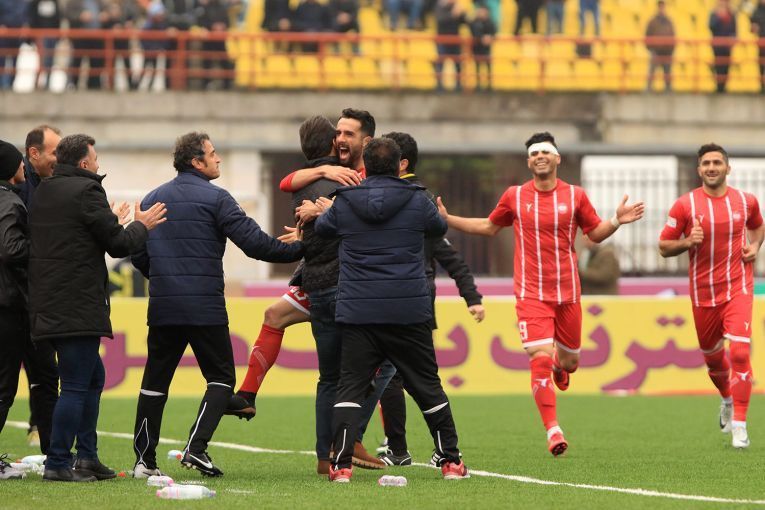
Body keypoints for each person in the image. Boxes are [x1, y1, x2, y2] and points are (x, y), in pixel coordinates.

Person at [437, 132, 644, 456]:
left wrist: (617, 220)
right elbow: (489, 226)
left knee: (570, 363)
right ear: (528, 161)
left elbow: (594, 233)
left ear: (557, 158)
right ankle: (553, 429)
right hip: (531, 293)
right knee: (540, 357)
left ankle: (562, 367)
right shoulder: (515, 196)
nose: (540, 157)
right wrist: (449, 220)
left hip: (568, 293)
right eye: (534, 153)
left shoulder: (575, 195)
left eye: (545, 151)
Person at [131, 132, 304, 478]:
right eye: (212, 154)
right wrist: (302, 247)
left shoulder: (152, 198)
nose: (218, 158)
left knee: (154, 382)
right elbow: (257, 246)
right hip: (204, 306)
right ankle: (195, 448)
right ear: (197, 162)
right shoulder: (218, 199)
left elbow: (138, 253)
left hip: (164, 306)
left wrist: (165, 275)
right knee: (222, 379)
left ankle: (143, 462)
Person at [232, 109, 382, 472]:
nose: (341, 139)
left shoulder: (371, 173)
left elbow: (296, 185)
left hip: (328, 276)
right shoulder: (333, 172)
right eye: (338, 133)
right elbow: (288, 181)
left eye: (348, 134)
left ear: (366, 142)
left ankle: (336, 445)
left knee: (348, 366)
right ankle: (346, 440)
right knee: (370, 363)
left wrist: (322, 212)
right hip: (336, 279)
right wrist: (321, 173)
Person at [315, 137, 469, 482]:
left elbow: (324, 229)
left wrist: (326, 211)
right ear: (400, 166)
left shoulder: (345, 201)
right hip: (407, 310)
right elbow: (439, 227)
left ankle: (341, 466)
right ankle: (451, 462)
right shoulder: (418, 199)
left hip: (359, 311)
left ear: (366, 167)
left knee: (350, 387)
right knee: (427, 386)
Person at [28, 134, 167, 482]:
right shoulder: (88, 190)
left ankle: (87, 457)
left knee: (93, 377)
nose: (98, 163)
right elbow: (118, 244)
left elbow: (75, 235)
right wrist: (141, 225)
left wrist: (110, 220)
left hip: (47, 300)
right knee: (76, 384)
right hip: (77, 303)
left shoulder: (44, 190)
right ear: (84, 163)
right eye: (95, 158)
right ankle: (58, 462)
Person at [371, 131, 484, 467]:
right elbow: (450, 255)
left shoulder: (408, 200)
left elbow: (447, 255)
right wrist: (472, 296)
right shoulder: (419, 200)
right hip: (417, 299)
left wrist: (472, 295)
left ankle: (404, 448)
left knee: (396, 376)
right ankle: (433, 450)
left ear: (400, 162)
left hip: (399, 298)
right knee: (409, 377)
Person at [659, 143, 764, 449]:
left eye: (717, 162)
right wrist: (687, 242)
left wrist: (755, 246)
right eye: (706, 163)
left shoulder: (746, 201)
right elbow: (663, 246)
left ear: (728, 168)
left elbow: (758, 227)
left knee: (740, 353)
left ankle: (740, 426)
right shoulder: (684, 205)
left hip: (738, 288)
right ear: (699, 170)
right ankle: (727, 399)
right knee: (714, 360)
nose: (712, 167)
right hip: (703, 294)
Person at [18, 125, 63, 454]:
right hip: (14, 300)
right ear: (33, 154)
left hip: (38, 300)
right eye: (54, 152)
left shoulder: (51, 184)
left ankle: (53, 454)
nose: (59, 159)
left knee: (47, 375)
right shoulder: (14, 191)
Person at [0, 140, 28, 481]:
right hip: (6, 306)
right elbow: (11, 249)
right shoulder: (9, 201)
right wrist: (42, 246)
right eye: (19, 161)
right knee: (4, 387)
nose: (24, 166)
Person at [434, 0, 467, 92]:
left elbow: (465, 21)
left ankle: (458, 85)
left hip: (455, 41)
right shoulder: (440, 6)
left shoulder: (456, 7)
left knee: (458, 64)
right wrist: (453, 14)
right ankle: (439, 85)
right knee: (440, 63)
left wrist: (462, 13)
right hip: (443, 40)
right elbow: (440, 20)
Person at [28, 0, 61, 90]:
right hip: (40, 35)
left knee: (50, 59)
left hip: (52, 35)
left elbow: (58, 18)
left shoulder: (54, 2)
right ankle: (37, 82)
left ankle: (47, 83)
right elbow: (32, 18)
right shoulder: (35, 3)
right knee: (41, 59)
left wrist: (57, 35)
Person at [645, 0, 675, 92]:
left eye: (663, 6)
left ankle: (668, 88)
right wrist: (651, 49)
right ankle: (649, 88)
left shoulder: (669, 21)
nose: (661, 9)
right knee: (652, 70)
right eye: (660, 7)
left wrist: (670, 49)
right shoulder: (652, 22)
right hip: (656, 50)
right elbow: (647, 36)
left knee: (667, 71)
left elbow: (673, 36)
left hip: (667, 51)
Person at [709, 0, 736, 93]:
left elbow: (734, 30)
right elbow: (711, 26)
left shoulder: (731, 14)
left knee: (726, 66)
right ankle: (719, 86)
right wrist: (719, 16)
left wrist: (733, 39)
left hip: (727, 46)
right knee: (718, 66)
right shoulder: (714, 14)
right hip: (717, 46)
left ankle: (723, 86)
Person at [470, 4, 496, 92]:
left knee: (488, 66)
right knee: (477, 67)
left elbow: (493, 32)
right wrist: (482, 38)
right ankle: (478, 85)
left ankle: (489, 85)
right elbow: (473, 31)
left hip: (486, 48)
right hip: (477, 48)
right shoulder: (475, 22)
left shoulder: (490, 22)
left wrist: (490, 37)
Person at [750, 0, 765, 93]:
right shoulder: (756, 11)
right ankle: (762, 86)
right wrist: (754, 27)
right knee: (761, 65)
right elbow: (752, 29)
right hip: (761, 43)